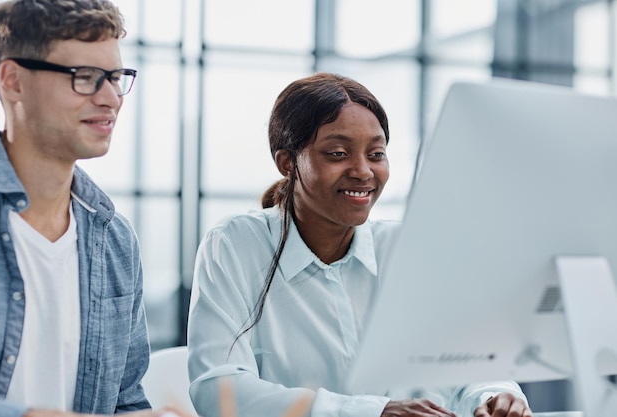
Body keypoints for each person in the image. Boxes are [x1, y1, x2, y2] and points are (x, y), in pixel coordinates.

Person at [187, 72, 533, 417]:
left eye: (376, 153)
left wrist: (495, 394)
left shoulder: (406, 248)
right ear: (288, 163)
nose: (363, 171)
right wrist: (372, 412)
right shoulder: (236, 245)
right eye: (338, 154)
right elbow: (218, 390)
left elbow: (466, 359)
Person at [0, 1, 193, 417]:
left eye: (116, 78)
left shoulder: (115, 240)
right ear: (13, 82)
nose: (111, 98)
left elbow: (125, 400)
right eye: (84, 77)